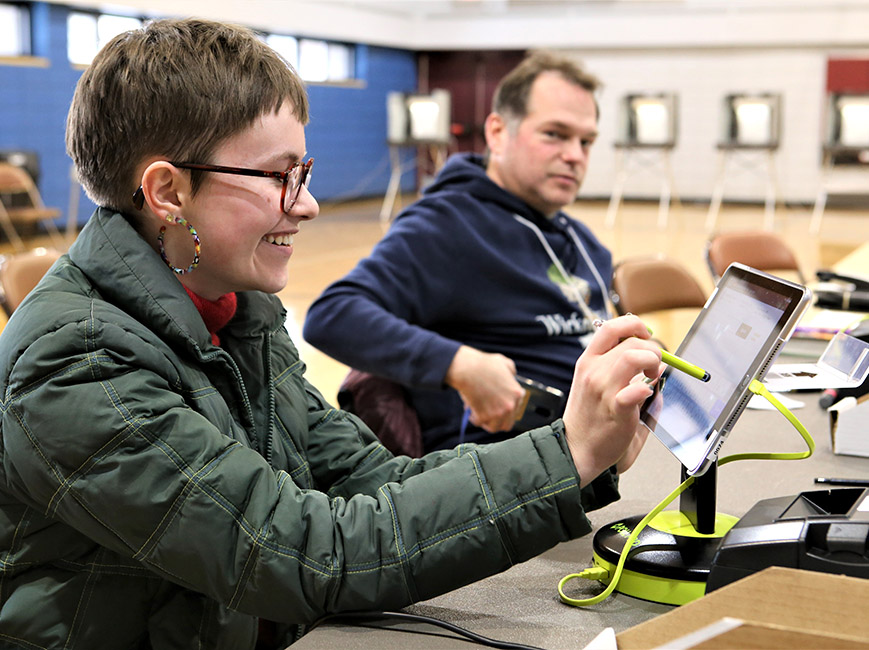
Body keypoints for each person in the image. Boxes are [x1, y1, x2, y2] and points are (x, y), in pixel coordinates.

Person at [0, 19, 659, 649]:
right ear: (168, 191)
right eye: (278, 176)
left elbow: (370, 481)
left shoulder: (235, 312)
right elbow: (296, 555)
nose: (308, 204)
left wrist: (574, 455)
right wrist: (564, 456)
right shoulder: (78, 363)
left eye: (304, 174)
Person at [304, 51, 613, 453]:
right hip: (504, 475)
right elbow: (333, 314)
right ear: (498, 133)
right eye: (555, 134)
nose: (575, 155)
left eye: (586, 141)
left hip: (599, 445)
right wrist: (459, 364)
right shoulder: (448, 224)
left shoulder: (585, 244)